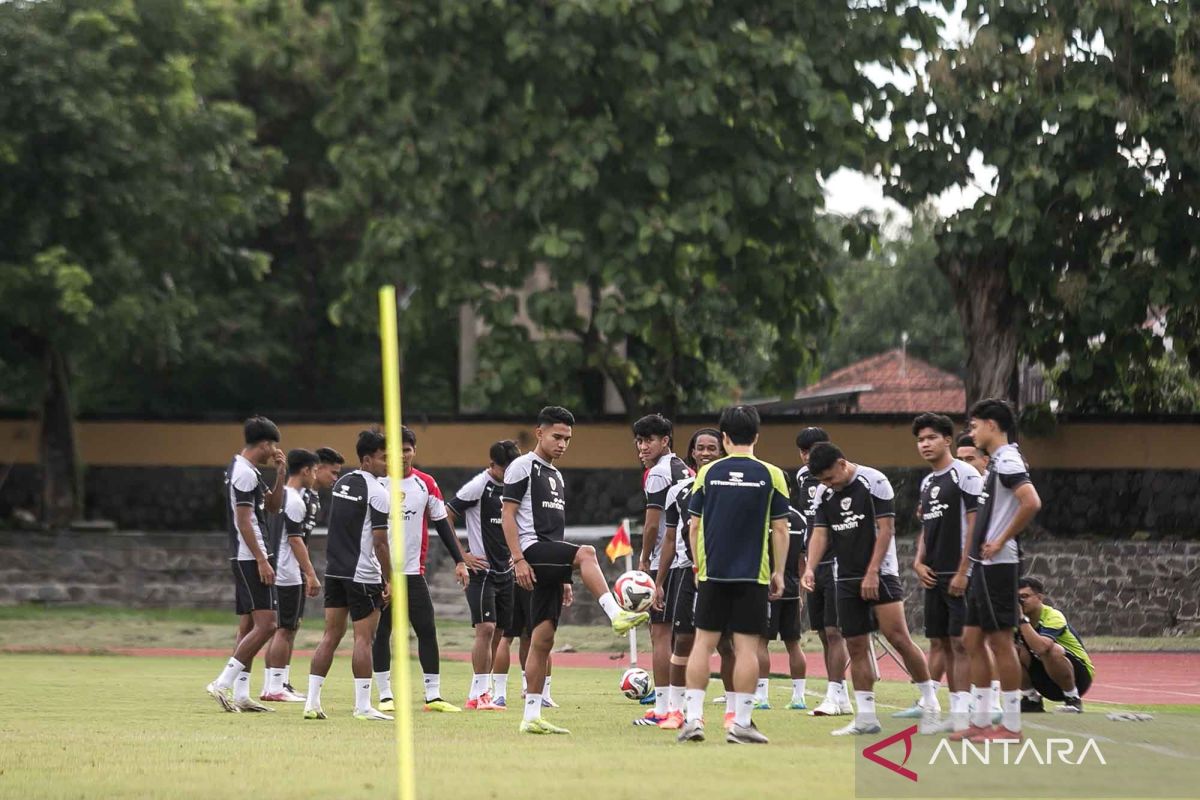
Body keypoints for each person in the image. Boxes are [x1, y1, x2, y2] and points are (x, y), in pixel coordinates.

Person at [504, 406, 649, 735]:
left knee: (543, 640)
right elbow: (508, 516)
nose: (562, 444)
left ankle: (531, 716)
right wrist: (518, 560)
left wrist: (563, 576)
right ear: (539, 433)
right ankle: (616, 614)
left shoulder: (556, 476)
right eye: (557, 436)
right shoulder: (521, 467)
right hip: (530, 550)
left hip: (549, 557)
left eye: (567, 438)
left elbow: (557, 531)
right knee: (587, 553)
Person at [802, 442, 942, 737]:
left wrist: (873, 572)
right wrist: (811, 568)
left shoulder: (873, 481)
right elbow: (820, 532)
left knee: (898, 637)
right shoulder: (825, 493)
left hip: (882, 573)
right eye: (822, 481)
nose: (828, 485)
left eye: (830, 478)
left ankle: (931, 704)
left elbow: (886, 530)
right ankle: (866, 718)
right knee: (855, 644)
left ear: (842, 464)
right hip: (846, 576)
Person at [677, 405, 790, 746]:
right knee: (745, 648)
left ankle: (692, 719)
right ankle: (740, 723)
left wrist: (698, 567)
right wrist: (780, 572)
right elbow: (781, 529)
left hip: (713, 574)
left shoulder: (706, 474)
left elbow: (693, 524)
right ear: (756, 436)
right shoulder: (773, 474)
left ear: (724, 438)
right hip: (753, 576)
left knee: (703, 644)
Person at [949, 398, 1043, 743]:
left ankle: (1012, 726)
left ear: (991, 425)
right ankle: (982, 720)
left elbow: (1031, 501)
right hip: (983, 566)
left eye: (974, 425)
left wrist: (1001, 539)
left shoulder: (1008, 460)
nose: (971, 432)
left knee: (1001, 642)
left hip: (998, 566)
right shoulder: (996, 462)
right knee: (971, 639)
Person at [375, 426, 477, 713]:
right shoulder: (378, 484)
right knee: (382, 633)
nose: (403, 455)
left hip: (413, 573)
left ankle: (433, 696)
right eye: (397, 449)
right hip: (382, 574)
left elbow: (442, 524)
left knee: (427, 630)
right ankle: (385, 695)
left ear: (414, 452)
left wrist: (460, 559)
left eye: (408, 449)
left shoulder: (426, 484)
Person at [893, 413, 982, 731]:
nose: (925, 444)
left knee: (960, 643)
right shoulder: (928, 481)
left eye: (931, 438)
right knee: (939, 642)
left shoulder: (966, 474)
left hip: (959, 572)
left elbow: (976, 524)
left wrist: (964, 570)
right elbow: (926, 527)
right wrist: (918, 562)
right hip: (932, 574)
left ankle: (963, 713)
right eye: (920, 440)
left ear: (947, 439)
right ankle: (931, 706)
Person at [303, 430, 392, 721]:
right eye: (383, 457)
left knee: (331, 635)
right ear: (367, 459)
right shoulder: (379, 492)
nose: (389, 462)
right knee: (364, 638)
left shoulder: (341, 483)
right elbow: (380, 542)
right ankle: (363, 706)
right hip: (363, 574)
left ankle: (312, 703)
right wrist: (389, 579)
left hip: (335, 571)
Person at [207, 416, 287, 713]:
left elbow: (273, 506)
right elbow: (244, 521)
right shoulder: (244, 473)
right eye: (273, 446)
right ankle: (222, 683)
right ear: (264, 443)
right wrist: (262, 560)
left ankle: (241, 694)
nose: (274, 451)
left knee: (249, 625)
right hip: (250, 556)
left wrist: (281, 472)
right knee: (268, 625)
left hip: (246, 556)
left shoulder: (247, 469)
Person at [651, 427, 724, 730]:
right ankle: (676, 710)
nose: (706, 453)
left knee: (729, 644)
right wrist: (658, 582)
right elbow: (669, 539)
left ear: (722, 451)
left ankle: (735, 712)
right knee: (683, 640)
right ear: (692, 453)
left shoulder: (731, 486)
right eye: (700, 448)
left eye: (712, 448)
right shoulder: (678, 490)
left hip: (722, 572)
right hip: (685, 572)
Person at [446, 439, 523, 711]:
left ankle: (479, 692)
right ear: (492, 466)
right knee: (486, 629)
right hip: (482, 572)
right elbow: (445, 514)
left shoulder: (516, 487)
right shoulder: (479, 486)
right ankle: (480, 694)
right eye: (505, 469)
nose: (510, 474)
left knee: (499, 632)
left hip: (506, 571)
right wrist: (462, 556)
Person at [633, 414, 691, 726]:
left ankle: (663, 707)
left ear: (665, 441)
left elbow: (653, 523)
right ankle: (675, 705)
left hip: (667, 561)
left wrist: (644, 562)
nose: (642, 447)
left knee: (661, 635)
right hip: (686, 557)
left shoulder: (658, 473)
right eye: (639, 441)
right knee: (677, 636)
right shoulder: (682, 467)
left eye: (649, 440)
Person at [795, 427, 853, 717]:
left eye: (813, 449)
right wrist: (806, 563)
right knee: (821, 629)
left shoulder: (839, 476)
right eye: (803, 451)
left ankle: (837, 693)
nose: (808, 456)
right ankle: (838, 693)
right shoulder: (803, 478)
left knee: (835, 630)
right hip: (815, 564)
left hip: (838, 562)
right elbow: (809, 524)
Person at [260, 448, 327, 702]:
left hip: (277, 570)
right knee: (285, 629)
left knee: (282, 629)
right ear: (307, 471)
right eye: (314, 470)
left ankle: (272, 685)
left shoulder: (280, 497)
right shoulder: (296, 501)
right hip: (287, 573)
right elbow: (296, 540)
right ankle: (276, 687)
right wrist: (310, 574)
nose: (315, 476)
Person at [756, 505, 808, 712]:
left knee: (761, 642)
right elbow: (801, 559)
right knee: (794, 644)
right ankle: (799, 697)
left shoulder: (762, 513)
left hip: (766, 588)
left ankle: (761, 697)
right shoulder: (800, 519)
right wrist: (801, 594)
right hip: (792, 590)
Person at [1016, 577, 1093, 713]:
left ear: (1039, 597)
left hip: (1078, 678)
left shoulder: (1053, 616)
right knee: (1010, 650)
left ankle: (1072, 699)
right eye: (1017, 598)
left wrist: (1022, 620)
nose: (1021, 602)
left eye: (1025, 596)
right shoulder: (1013, 619)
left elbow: (1041, 648)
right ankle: (1031, 699)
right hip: (1044, 679)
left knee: (1052, 650)